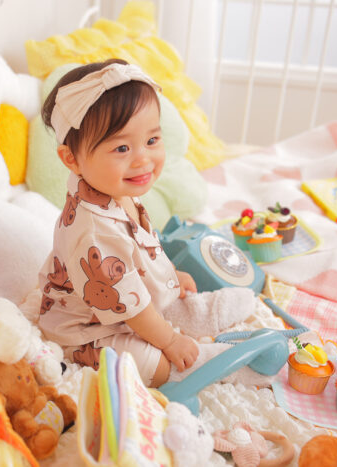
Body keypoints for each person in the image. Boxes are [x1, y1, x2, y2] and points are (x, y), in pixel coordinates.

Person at [36, 59, 253, 388]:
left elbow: (140, 247)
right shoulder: (92, 231)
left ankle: (191, 314)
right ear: (72, 159)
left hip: (125, 300)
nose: (143, 159)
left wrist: (169, 275)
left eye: (152, 140)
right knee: (151, 365)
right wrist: (170, 341)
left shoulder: (114, 187)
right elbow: (129, 307)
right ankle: (209, 362)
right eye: (122, 147)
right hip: (86, 331)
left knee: (162, 303)